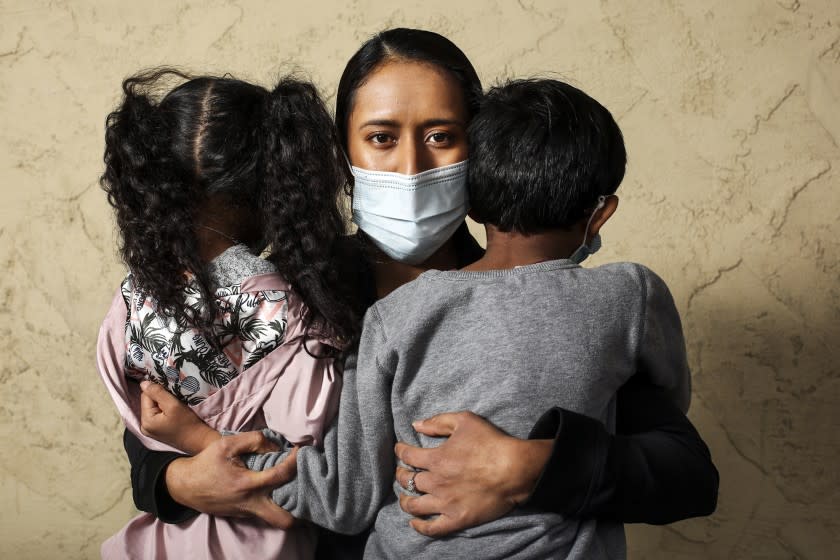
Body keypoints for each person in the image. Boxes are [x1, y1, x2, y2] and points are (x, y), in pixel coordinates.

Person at [125, 28, 718, 556]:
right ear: (343, 154)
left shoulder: (572, 305)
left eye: (440, 136)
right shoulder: (279, 292)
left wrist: (530, 466)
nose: (410, 166)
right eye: (381, 138)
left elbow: (685, 473)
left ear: (482, 150)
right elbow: (152, 420)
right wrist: (179, 481)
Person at [95, 68, 362, 559]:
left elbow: (143, 429)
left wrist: (187, 444)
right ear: (275, 186)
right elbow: (296, 482)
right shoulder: (298, 314)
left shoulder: (129, 307)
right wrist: (200, 447)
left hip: (159, 543)